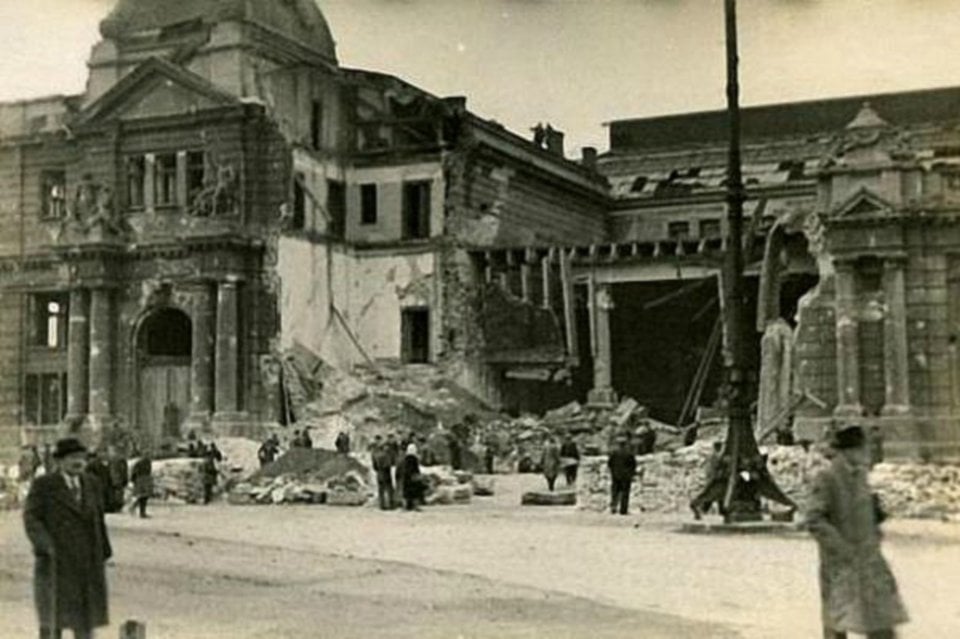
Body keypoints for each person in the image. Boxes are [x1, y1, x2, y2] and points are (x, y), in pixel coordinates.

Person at [806, 424, 908, 639]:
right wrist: (840, 547)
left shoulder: (860, 475)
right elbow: (815, 518)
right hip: (841, 563)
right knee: (839, 619)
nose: (867, 453)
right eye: (863, 448)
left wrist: (876, 519)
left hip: (869, 558)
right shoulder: (827, 477)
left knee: (881, 618)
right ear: (849, 451)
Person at [23, 437, 112, 639]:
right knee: (53, 620)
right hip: (56, 562)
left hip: (87, 562)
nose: (78, 462)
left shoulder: (92, 483)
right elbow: (31, 517)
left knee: (85, 621)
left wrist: (104, 549)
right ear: (59, 461)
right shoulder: (44, 485)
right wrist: (44, 545)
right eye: (73, 457)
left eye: (82, 457)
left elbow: (98, 518)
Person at [689, 441, 726, 520]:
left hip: (715, 480)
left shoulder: (713, 456)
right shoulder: (715, 456)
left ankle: (700, 510)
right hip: (715, 480)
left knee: (717, 497)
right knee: (708, 495)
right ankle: (695, 504)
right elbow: (714, 469)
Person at [607, 436, 638, 515]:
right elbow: (633, 464)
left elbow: (609, 463)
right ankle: (623, 510)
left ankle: (613, 507)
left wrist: (613, 471)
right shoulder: (629, 453)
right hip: (626, 476)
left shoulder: (614, 453)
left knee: (615, 492)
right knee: (625, 493)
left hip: (615, 475)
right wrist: (631, 473)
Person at [371, 435, 395, 510]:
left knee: (381, 489)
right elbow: (392, 462)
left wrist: (377, 469)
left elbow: (374, 465)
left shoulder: (375, 454)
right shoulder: (387, 454)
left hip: (379, 472)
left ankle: (382, 505)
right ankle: (391, 504)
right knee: (389, 488)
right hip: (386, 471)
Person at [400, 444, 425, 511]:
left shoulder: (405, 459)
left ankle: (406, 506)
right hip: (413, 477)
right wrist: (418, 475)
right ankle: (415, 506)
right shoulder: (414, 459)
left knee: (407, 493)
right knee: (415, 493)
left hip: (406, 478)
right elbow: (415, 469)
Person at [129, 452, 153, 519]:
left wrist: (133, 480)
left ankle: (136, 508)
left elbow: (134, 472)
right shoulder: (147, 462)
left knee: (141, 496)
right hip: (145, 480)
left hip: (140, 480)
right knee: (143, 497)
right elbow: (149, 472)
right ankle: (141, 512)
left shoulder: (138, 463)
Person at [105, 445, 128, 514]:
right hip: (117, 479)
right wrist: (125, 478)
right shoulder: (120, 459)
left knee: (115, 493)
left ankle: (115, 507)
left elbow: (122, 470)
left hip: (114, 479)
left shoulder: (112, 459)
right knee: (118, 493)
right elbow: (124, 470)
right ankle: (117, 507)